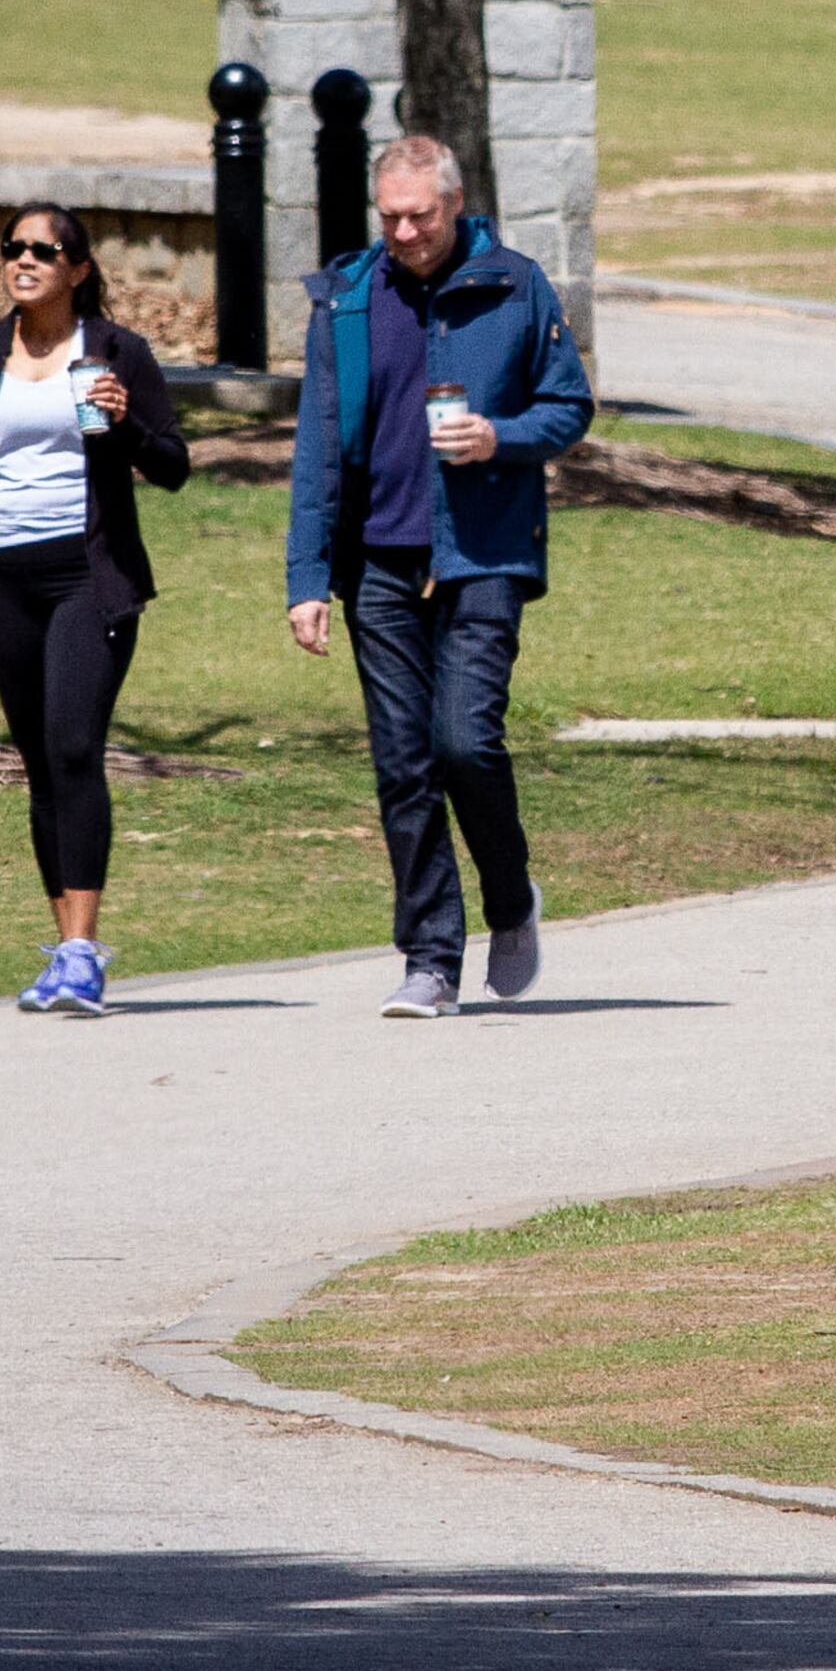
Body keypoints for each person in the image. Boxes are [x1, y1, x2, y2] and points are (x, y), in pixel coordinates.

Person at [286, 134, 595, 1018]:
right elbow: (316, 446)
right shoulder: (348, 297)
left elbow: (569, 402)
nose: (405, 230)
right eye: (390, 215)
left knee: (464, 741)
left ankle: (510, 901)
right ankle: (428, 958)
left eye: (421, 214)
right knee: (403, 764)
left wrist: (501, 437)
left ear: (455, 204)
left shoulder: (514, 283)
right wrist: (308, 577)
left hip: (482, 553)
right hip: (378, 564)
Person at [0, 208, 190, 1016]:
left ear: (76, 268)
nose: (25, 260)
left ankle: (84, 950)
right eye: (15, 249)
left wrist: (125, 419)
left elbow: (171, 464)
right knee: (39, 761)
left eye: (45, 250)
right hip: (2, 581)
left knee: (74, 746)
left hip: (87, 579)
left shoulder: (116, 354)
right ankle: (64, 945)